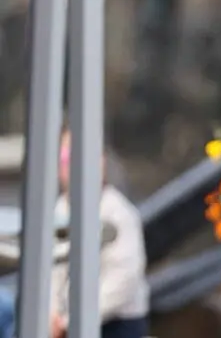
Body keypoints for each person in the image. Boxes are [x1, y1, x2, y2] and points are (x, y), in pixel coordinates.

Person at [50, 129, 151, 338]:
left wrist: (72, 320)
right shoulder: (58, 211)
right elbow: (52, 271)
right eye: (67, 157)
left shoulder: (118, 213)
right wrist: (52, 314)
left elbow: (122, 280)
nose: (75, 165)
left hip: (116, 324)